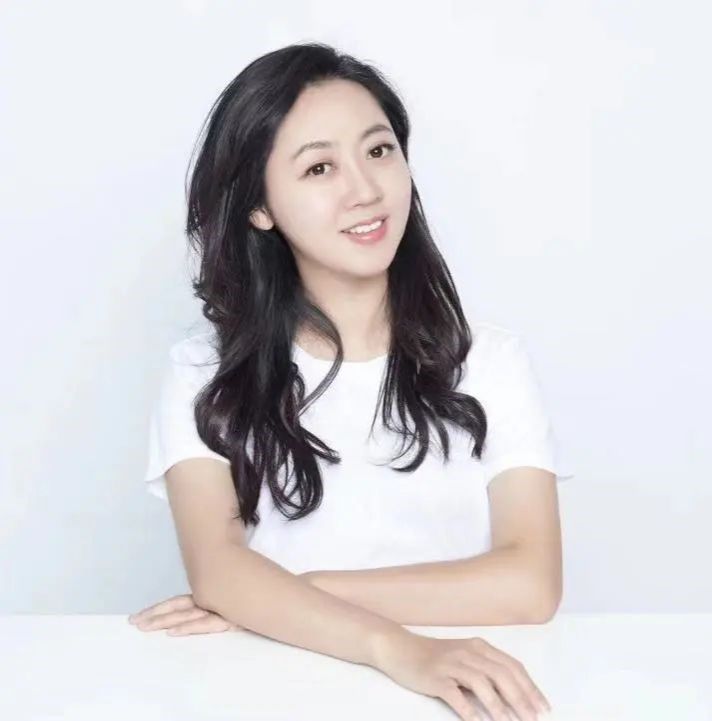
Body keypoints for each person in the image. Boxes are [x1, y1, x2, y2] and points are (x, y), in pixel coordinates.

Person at [129, 42, 572, 721]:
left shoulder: (489, 361)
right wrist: (399, 648)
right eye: (319, 167)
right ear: (259, 206)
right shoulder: (204, 372)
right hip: (269, 693)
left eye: (378, 150)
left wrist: (290, 592)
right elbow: (218, 571)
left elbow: (530, 583)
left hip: (467, 696)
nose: (365, 190)